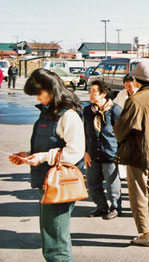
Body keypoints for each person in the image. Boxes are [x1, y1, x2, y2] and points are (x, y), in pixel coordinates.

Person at [9, 68, 85, 261]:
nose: (37, 99)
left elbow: (75, 152)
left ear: (51, 90)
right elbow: (48, 144)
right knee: (51, 236)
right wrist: (27, 155)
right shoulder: (50, 112)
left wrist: (42, 157)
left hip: (60, 184)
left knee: (56, 242)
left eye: (39, 94)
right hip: (48, 181)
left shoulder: (68, 115)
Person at [113, 61, 149, 247]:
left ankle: (145, 233)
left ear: (136, 80)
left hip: (138, 153)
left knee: (138, 194)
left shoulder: (135, 100)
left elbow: (121, 129)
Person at [84, 80, 122, 220]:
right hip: (93, 153)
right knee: (92, 182)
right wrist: (85, 151)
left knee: (112, 184)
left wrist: (121, 152)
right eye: (90, 91)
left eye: (94, 92)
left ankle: (115, 207)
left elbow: (122, 133)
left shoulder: (115, 110)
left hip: (110, 153)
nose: (91, 94)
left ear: (103, 94)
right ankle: (101, 206)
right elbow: (85, 132)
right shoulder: (88, 111)